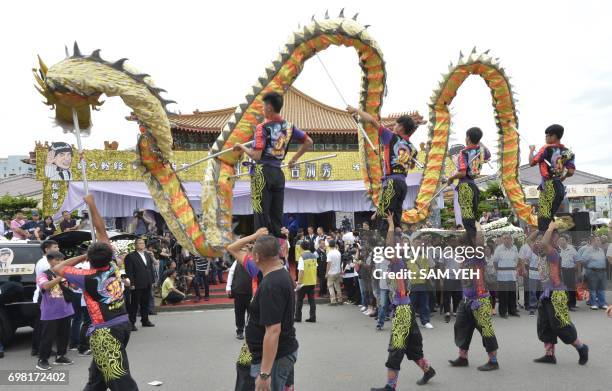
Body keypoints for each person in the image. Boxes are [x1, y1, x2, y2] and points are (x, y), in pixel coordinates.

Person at [53, 194, 138, 390]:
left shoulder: (85, 277)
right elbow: (101, 230)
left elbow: (58, 268)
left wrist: (84, 255)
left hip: (105, 332)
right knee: (97, 378)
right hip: (122, 324)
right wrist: (92, 204)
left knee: (119, 379)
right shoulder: (112, 265)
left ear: (90, 258)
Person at [227, 228, 298, 391]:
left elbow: (273, 331)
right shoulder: (280, 270)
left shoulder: (269, 282)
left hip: (273, 352)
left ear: (257, 257)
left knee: (255, 380)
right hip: (269, 347)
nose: (249, 254)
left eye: (252, 252)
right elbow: (232, 248)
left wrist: (264, 374)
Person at [234, 92, 313, 238]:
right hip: (278, 173)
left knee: (261, 214)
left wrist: (242, 147)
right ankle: (277, 249)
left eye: (264, 107)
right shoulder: (289, 126)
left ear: (269, 108)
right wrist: (294, 158)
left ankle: (263, 249)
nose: (262, 110)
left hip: (262, 172)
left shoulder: (262, 127)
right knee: (277, 216)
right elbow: (309, 141)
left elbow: (256, 156)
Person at [371, 213, 436, 390]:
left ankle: (390, 387)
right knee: (412, 349)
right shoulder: (400, 262)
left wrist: (391, 225)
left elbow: (390, 245)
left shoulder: (398, 262)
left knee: (396, 349)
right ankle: (428, 370)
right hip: (404, 309)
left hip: (402, 311)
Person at [347, 106, 421, 232]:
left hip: (392, 183)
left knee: (384, 220)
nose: (394, 126)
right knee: (396, 222)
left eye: (396, 124)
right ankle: (396, 247)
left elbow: (371, 120)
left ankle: (385, 248)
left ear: (401, 127)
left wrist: (356, 110)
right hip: (403, 184)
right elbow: (411, 165)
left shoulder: (391, 137)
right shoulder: (412, 148)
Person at [532, 221, 588, 365]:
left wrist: (550, 229)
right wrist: (540, 229)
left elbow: (544, 244)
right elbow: (529, 241)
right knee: (544, 325)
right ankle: (550, 355)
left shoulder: (553, 253)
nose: (539, 241)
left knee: (561, 325)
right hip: (546, 294)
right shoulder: (541, 252)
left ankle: (581, 347)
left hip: (557, 294)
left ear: (553, 239)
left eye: (543, 238)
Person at [449, 225, 500, 371]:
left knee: (486, 331)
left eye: (464, 245)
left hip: (481, 300)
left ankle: (493, 361)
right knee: (461, 328)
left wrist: (476, 226)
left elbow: (479, 242)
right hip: (466, 300)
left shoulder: (478, 256)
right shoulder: (464, 259)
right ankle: (462, 357)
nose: (461, 248)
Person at [446, 127, 491, 239]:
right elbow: (488, 155)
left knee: (467, 217)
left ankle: (472, 245)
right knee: (473, 217)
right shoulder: (481, 151)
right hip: (474, 186)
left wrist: (451, 178)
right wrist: (479, 141)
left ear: (468, 137)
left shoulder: (463, 152)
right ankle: (475, 244)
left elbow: (462, 173)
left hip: (465, 186)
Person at [529, 124, 575, 232]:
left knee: (544, 219)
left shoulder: (546, 148)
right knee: (550, 217)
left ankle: (545, 245)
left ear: (553, 136)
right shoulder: (568, 152)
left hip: (549, 187)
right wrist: (560, 177)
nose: (545, 138)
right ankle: (558, 238)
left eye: (547, 136)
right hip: (559, 187)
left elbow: (532, 162)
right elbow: (571, 171)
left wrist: (531, 150)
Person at [35, 250, 75, 370]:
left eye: (61, 260)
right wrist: (60, 277)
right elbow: (46, 286)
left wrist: (72, 280)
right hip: (50, 312)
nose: (59, 262)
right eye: (56, 259)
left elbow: (74, 286)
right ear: (49, 261)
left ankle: (60, 356)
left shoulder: (65, 273)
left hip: (66, 309)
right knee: (48, 337)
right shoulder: (43, 274)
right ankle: (42, 360)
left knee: (64, 335)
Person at [31, 239, 60, 357]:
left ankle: (36, 348)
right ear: (47, 249)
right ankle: (39, 349)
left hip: (47, 295)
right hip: (43, 296)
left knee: (41, 324)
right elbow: (48, 282)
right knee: (44, 325)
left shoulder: (47, 261)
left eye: (58, 247)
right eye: (55, 247)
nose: (57, 249)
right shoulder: (45, 263)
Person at [124, 238, 156, 329]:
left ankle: (145, 320)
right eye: (140, 243)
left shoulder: (147, 254)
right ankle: (131, 323)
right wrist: (131, 284)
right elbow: (129, 271)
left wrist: (152, 281)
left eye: (143, 243)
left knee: (145, 303)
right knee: (134, 304)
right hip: (136, 284)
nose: (142, 244)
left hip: (147, 282)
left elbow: (150, 269)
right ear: (135, 245)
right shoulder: (130, 256)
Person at [493, 234, 520, 318]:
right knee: (503, 295)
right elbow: (495, 261)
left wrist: (515, 271)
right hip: (502, 275)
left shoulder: (514, 248)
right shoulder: (499, 249)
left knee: (512, 294)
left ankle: (513, 311)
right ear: (503, 240)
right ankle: (503, 312)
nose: (507, 240)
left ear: (511, 239)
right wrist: (499, 271)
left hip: (512, 274)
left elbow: (516, 260)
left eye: (509, 238)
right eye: (505, 238)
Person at [578, 235, 608, 309]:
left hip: (601, 271)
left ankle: (602, 303)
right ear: (592, 242)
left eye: (599, 240)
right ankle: (593, 303)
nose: (598, 242)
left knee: (601, 288)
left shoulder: (601, 250)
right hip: (592, 271)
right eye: (596, 240)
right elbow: (582, 260)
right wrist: (588, 267)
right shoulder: (588, 250)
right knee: (593, 289)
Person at [294, 241, 317, 323]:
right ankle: (313, 317)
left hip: (304, 282)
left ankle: (298, 317)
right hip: (312, 281)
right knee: (312, 301)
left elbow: (301, 271)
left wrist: (299, 283)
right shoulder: (314, 256)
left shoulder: (302, 257)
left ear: (301, 247)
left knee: (299, 300)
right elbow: (315, 268)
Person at [558, 234, 579, 310]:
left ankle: (572, 304)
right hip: (561, 270)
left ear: (566, 241)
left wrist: (577, 272)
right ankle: (565, 304)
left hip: (571, 270)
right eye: (560, 240)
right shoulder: (558, 249)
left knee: (571, 288)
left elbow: (577, 260)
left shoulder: (572, 249)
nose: (561, 241)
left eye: (563, 240)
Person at [326, 239, 343, 305]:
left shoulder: (329, 253)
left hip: (331, 272)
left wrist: (326, 273)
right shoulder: (338, 252)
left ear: (329, 245)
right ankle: (340, 299)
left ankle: (333, 301)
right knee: (337, 286)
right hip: (338, 271)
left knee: (330, 286)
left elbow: (328, 264)